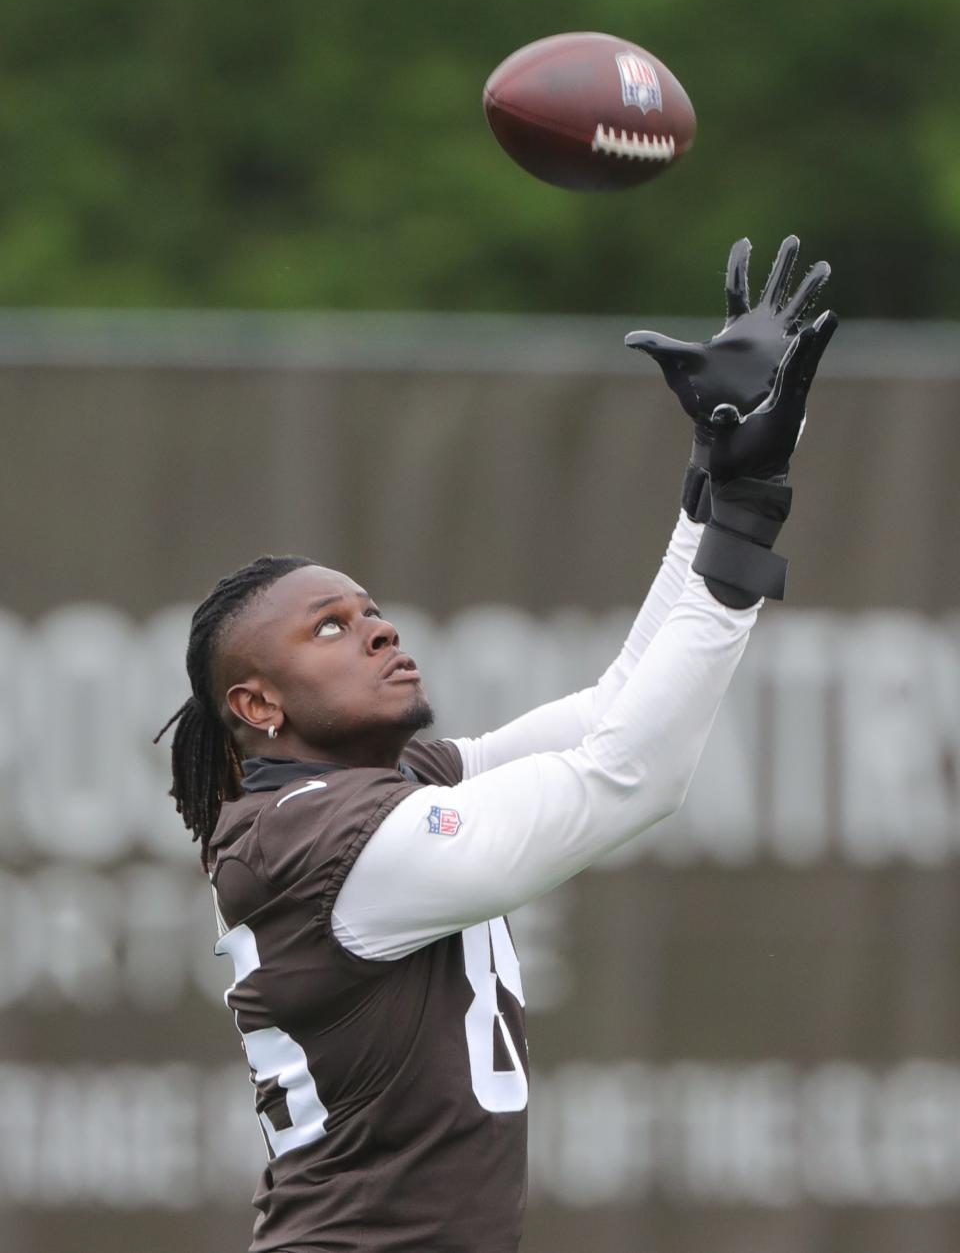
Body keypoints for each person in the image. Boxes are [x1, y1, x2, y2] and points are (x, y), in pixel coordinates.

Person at [157, 236, 836, 1253]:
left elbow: (616, 708)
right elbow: (632, 773)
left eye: (371, 608)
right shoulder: (325, 842)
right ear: (257, 706)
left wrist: (715, 472)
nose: (380, 629)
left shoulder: (367, 796)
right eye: (331, 627)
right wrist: (746, 512)